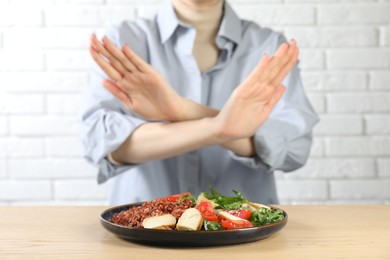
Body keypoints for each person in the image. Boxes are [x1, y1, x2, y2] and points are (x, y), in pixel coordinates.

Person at [81, 0, 319, 205]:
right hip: (141, 232)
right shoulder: (123, 40)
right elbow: (99, 140)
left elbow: (295, 147)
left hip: (243, 236)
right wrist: (219, 128)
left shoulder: (269, 46)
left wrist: (185, 111)